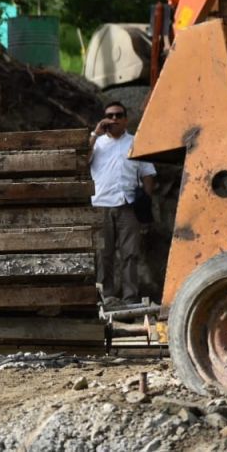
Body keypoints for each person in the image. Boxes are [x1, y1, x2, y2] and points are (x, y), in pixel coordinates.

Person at [89, 101, 157, 308]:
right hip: (101, 205)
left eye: (119, 115)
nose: (114, 119)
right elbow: (80, 161)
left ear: (126, 119)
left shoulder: (137, 142)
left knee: (130, 254)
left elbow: (148, 174)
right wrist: (94, 134)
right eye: (110, 115)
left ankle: (130, 297)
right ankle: (106, 296)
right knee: (103, 254)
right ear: (104, 118)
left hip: (128, 206)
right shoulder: (97, 144)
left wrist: (145, 200)